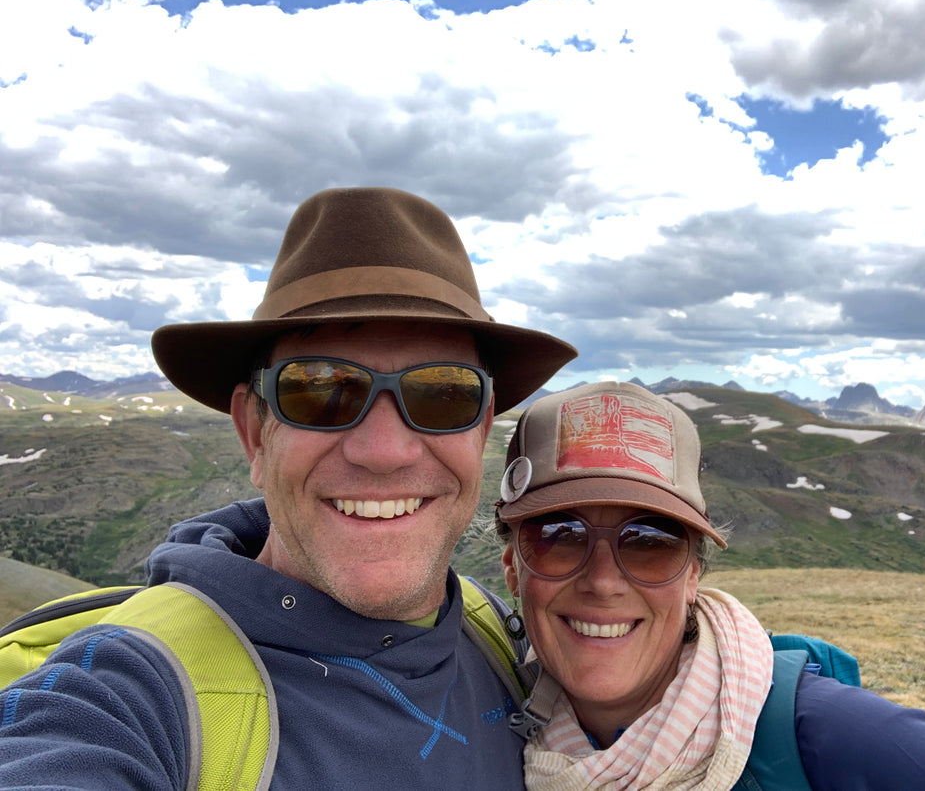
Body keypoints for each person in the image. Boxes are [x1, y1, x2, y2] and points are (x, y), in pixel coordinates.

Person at [0, 187, 577, 789]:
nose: (383, 452)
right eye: (320, 389)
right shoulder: (133, 692)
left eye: (442, 393)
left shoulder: (494, 633)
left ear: (481, 427)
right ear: (255, 432)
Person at [494, 380, 925, 790]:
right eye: (559, 536)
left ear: (693, 576)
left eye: (650, 541)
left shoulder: (841, 737)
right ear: (512, 567)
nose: (604, 581)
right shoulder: (503, 730)